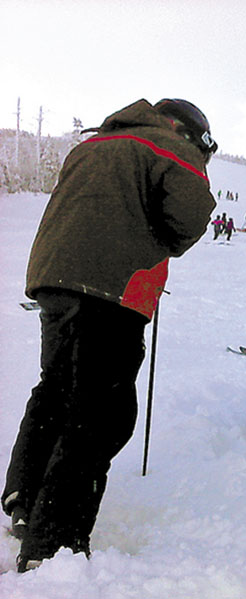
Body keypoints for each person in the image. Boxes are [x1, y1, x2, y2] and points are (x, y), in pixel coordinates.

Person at [2, 98, 217, 572]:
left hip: (54, 278)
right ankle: (53, 544)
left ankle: (25, 497)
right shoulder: (168, 144)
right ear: (190, 132)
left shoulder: (97, 144)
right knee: (101, 409)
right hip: (113, 285)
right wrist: (163, 238)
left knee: (57, 387)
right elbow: (190, 213)